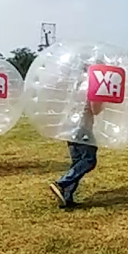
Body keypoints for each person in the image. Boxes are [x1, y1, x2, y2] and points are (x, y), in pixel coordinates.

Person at [49, 66, 103, 209]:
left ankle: (66, 198)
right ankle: (61, 183)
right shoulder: (94, 86)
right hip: (82, 128)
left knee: (77, 163)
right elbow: (95, 110)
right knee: (89, 160)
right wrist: (103, 101)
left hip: (70, 126)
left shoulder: (77, 84)